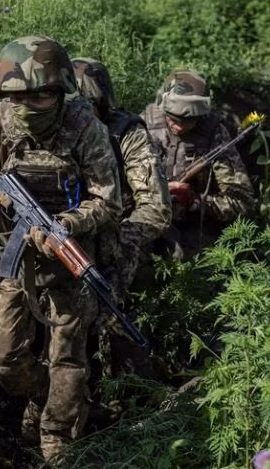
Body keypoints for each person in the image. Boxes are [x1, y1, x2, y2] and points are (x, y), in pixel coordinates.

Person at [0, 36, 121, 463]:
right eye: (16, 97)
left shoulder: (85, 128)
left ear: (60, 92)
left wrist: (65, 225)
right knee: (6, 359)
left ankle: (57, 436)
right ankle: (46, 396)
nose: (27, 106)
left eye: (39, 96)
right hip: (10, 259)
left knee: (68, 357)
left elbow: (108, 200)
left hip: (68, 257)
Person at [71, 57, 171, 380]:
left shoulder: (127, 134)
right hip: (69, 239)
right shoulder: (57, 132)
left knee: (120, 332)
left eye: (86, 105)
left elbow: (155, 208)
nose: (78, 114)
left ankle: (132, 390)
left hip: (121, 241)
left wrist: (117, 246)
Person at [141, 69, 255, 260]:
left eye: (188, 120)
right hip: (146, 217)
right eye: (173, 118)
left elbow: (242, 202)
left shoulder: (214, 134)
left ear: (201, 115)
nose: (179, 126)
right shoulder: (145, 124)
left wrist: (195, 202)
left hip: (192, 227)